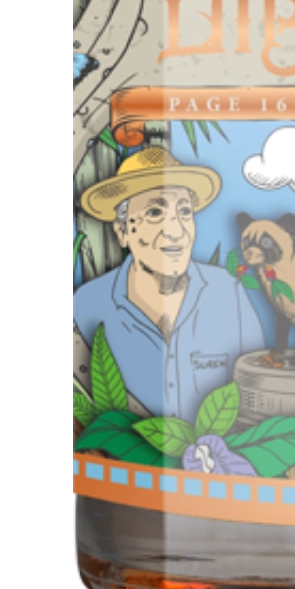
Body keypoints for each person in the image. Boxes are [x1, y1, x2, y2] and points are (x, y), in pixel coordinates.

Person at [72, 143, 270, 420]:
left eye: (185, 212)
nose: (176, 231)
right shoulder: (86, 306)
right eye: (155, 213)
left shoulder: (229, 293)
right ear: (123, 231)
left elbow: (259, 391)